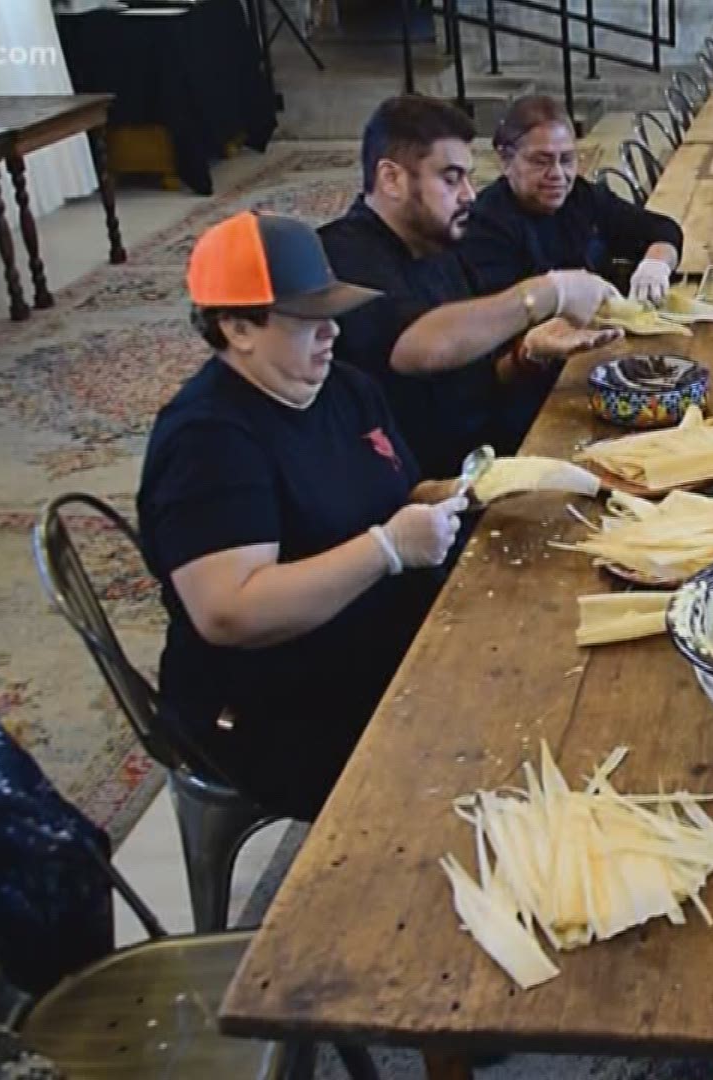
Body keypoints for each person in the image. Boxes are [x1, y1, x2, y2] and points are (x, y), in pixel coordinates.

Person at [138, 209, 469, 821]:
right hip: (273, 706)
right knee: (472, 751)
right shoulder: (209, 440)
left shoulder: (345, 388)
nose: (332, 335)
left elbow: (400, 487)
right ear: (238, 327)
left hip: (368, 644)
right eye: (310, 321)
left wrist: (462, 491)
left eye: (334, 317)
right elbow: (230, 611)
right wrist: (386, 550)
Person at [320, 94, 623, 479]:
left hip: (489, 451)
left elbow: (476, 378)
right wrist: (548, 291)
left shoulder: (440, 243)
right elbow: (416, 347)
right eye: (450, 178)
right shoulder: (344, 252)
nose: (469, 194)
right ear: (391, 178)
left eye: (467, 177)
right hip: (423, 489)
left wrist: (527, 353)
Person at [460, 94, 686, 304]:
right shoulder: (485, 224)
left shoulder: (582, 197)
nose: (557, 174)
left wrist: (656, 263)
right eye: (541, 161)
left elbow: (662, 229)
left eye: (566, 160)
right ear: (505, 160)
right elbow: (503, 311)